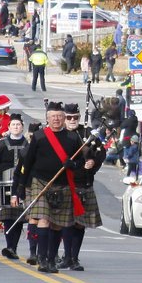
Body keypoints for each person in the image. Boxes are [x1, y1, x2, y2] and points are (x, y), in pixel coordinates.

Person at [12, 101, 85, 273]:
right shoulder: (39, 136)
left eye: (60, 116)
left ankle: (52, 259)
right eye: (53, 117)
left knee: (57, 225)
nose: (57, 120)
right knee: (43, 220)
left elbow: (81, 161)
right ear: (48, 118)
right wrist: (21, 186)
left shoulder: (73, 138)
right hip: (41, 182)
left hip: (63, 185)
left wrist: (72, 164)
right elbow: (27, 162)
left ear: (64, 118)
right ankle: (42, 259)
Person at [60, 105, 104, 270]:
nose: (72, 121)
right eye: (69, 117)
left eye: (75, 118)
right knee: (66, 223)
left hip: (84, 183)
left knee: (79, 224)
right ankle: (65, 256)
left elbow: (100, 154)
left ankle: (74, 258)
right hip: (65, 183)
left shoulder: (88, 134)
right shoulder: (59, 135)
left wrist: (93, 163)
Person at [0, 113, 29, 260]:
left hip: (22, 184)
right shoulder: (2, 144)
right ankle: (10, 246)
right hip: (4, 184)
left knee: (19, 217)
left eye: (18, 125)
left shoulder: (28, 145)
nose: (16, 127)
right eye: (13, 125)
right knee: (8, 217)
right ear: (9, 127)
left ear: (22, 127)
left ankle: (13, 247)